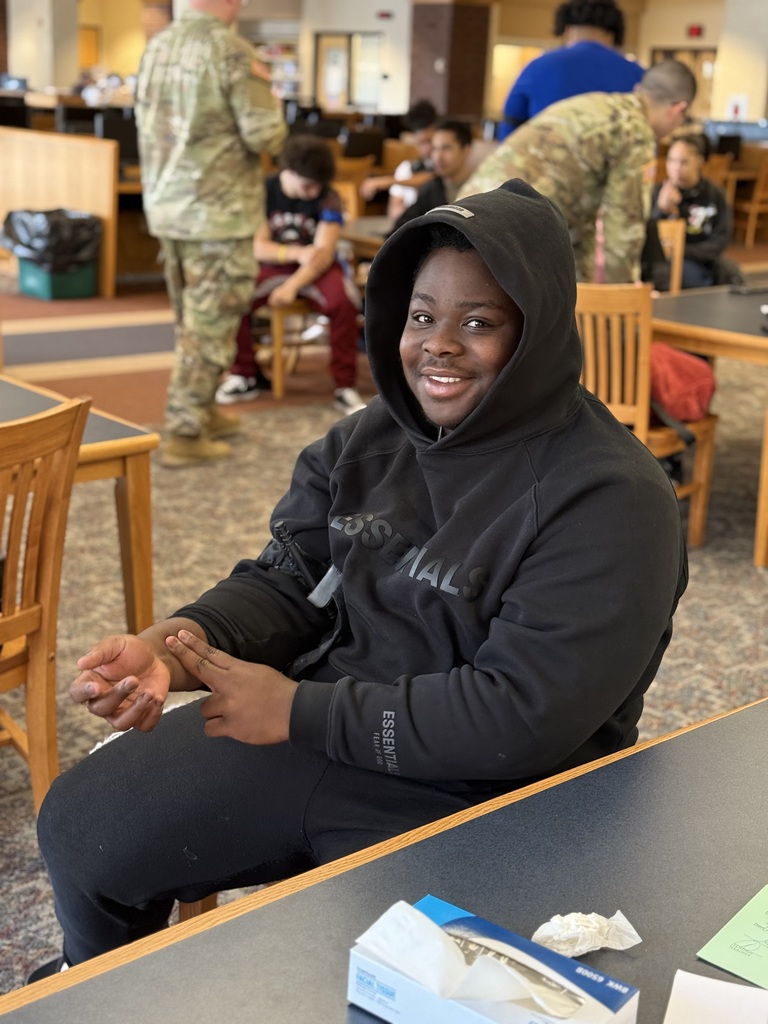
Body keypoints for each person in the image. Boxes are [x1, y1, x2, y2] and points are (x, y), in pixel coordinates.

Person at [32, 179, 686, 977]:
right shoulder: (365, 442)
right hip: (321, 730)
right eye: (422, 317)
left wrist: (302, 711)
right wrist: (180, 646)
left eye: (479, 323)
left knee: (380, 989)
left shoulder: (612, 498)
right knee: (81, 823)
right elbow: (290, 581)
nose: (439, 345)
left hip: (495, 796)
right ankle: (97, 990)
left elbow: (523, 715)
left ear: (537, 336)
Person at [135, 0, 287, 468]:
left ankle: (201, 410)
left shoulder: (156, 48)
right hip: (215, 214)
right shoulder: (233, 51)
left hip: (168, 207)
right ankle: (183, 430)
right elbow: (266, 135)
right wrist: (277, 110)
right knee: (211, 324)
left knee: (192, 320)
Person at [459, 59, 697, 283]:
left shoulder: (596, 104)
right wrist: (619, 308)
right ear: (678, 109)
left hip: (467, 214)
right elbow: (624, 230)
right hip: (509, 233)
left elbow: (580, 224)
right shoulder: (637, 132)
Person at [215, 135, 366, 415]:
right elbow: (259, 247)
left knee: (344, 302)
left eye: (318, 186)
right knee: (232, 294)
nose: (313, 192)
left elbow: (322, 253)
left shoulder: (329, 197)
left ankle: (345, 386)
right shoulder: (263, 192)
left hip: (316, 270)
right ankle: (244, 375)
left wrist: (292, 286)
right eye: (308, 185)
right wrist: (295, 254)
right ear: (289, 172)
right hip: (276, 263)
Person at [498, 0, 643, 140]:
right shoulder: (637, 74)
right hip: (615, 162)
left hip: (547, 160)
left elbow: (510, 125)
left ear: (567, 31)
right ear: (613, 35)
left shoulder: (537, 67)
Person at [650, 134, 742, 290]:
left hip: (702, 259)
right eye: (671, 160)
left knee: (732, 273)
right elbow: (647, 238)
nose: (676, 167)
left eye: (683, 162)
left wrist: (683, 251)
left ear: (699, 161)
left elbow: (721, 239)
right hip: (665, 260)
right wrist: (661, 210)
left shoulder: (715, 194)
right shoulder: (658, 192)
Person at [359, 99, 438, 219]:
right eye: (421, 142)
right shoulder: (406, 168)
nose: (427, 148)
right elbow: (394, 210)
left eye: (430, 140)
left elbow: (432, 178)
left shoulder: (445, 165)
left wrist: (388, 181)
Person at [391, 119, 473, 230]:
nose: (438, 157)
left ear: (466, 150)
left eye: (446, 148)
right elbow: (402, 228)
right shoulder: (431, 189)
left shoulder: (481, 188)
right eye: (435, 149)